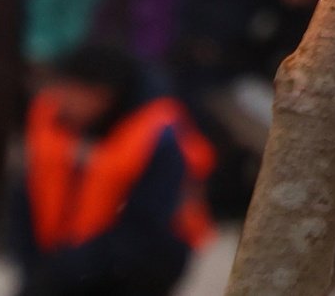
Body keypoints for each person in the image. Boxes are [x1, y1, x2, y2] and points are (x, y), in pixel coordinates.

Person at [11, 44, 211, 296]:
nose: (60, 100)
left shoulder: (159, 137)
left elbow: (146, 229)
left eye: (72, 91)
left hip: (133, 268)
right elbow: (24, 200)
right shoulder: (51, 119)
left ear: (103, 94)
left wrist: (69, 270)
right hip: (58, 262)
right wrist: (36, 269)